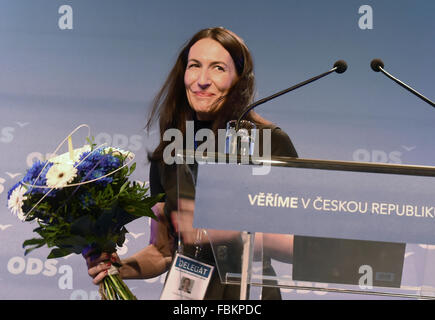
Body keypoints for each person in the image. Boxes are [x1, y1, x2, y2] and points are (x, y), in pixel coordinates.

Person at [85, 27, 298, 299]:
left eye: (218, 68)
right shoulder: (171, 150)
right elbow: (162, 251)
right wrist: (119, 268)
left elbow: (301, 246)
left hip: (249, 295)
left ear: (239, 79)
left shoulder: (270, 142)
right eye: (194, 66)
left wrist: (229, 233)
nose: (202, 80)